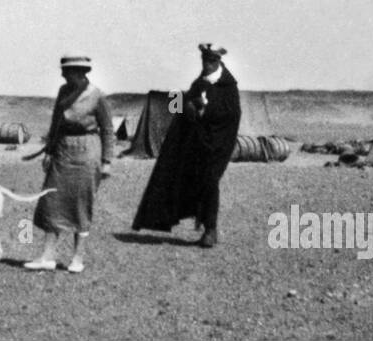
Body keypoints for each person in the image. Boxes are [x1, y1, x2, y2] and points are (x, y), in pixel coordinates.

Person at [131, 44, 242, 247]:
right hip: (197, 146)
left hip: (218, 147)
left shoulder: (228, 87)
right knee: (191, 181)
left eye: (211, 61)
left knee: (210, 182)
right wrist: (189, 105)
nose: (207, 65)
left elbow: (232, 116)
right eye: (204, 61)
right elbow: (178, 106)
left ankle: (211, 229)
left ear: (218, 61)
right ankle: (194, 222)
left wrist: (206, 110)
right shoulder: (199, 83)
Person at [25, 54, 116, 273]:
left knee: (81, 204)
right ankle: (48, 256)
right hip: (63, 151)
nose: (64, 75)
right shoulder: (63, 92)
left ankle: (78, 258)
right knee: (51, 201)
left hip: (88, 151)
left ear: (81, 72)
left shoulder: (97, 96)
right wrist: (49, 150)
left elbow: (108, 130)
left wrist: (107, 161)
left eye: (68, 72)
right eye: (63, 72)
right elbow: (56, 123)